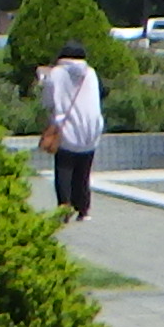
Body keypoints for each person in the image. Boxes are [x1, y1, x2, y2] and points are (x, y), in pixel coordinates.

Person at [39, 39, 105, 223]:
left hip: (66, 127)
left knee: (64, 170)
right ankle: (83, 210)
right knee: (83, 172)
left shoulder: (56, 74)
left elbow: (47, 102)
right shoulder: (90, 73)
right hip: (91, 128)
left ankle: (64, 209)